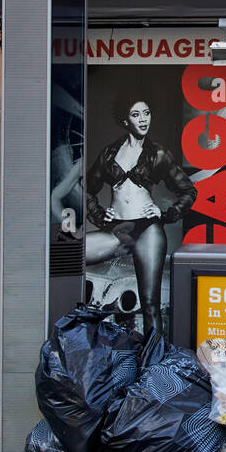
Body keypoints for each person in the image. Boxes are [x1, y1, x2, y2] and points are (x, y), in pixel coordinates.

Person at [84, 98, 195, 334]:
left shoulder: (158, 154)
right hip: (118, 228)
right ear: (125, 120)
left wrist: (166, 214)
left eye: (146, 113)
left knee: (150, 305)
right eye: (136, 115)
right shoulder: (109, 154)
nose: (143, 119)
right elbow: (87, 188)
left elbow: (188, 191)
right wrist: (100, 216)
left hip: (148, 230)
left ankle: (153, 363)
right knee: (73, 257)